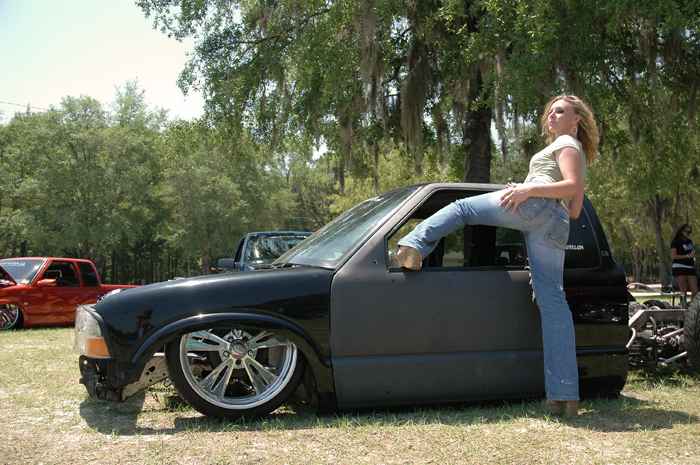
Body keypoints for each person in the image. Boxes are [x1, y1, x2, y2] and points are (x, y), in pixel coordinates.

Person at [395, 94, 600, 417]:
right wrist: (532, 190)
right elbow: (574, 209)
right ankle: (564, 396)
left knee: (462, 208)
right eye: (550, 111)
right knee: (553, 305)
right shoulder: (576, 151)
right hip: (555, 223)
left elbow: (570, 184)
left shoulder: (565, 143)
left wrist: (527, 190)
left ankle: (413, 246)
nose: (551, 115)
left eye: (560, 111)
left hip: (536, 206)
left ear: (577, 119)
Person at [671, 223, 697, 302]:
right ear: (681, 231)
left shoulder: (689, 241)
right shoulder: (675, 242)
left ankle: (693, 307)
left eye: (690, 232)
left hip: (690, 267)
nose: (688, 233)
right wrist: (687, 256)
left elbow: (691, 253)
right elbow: (674, 256)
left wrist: (693, 256)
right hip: (679, 267)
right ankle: (683, 306)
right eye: (687, 232)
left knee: (695, 290)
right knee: (683, 291)